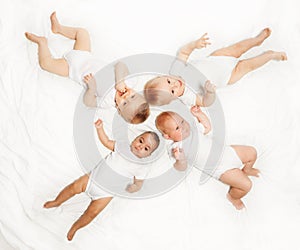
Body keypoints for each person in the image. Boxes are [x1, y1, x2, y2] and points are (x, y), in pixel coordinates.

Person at [44, 119, 160, 241]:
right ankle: (56, 201)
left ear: (148, 155)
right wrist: (100, 129)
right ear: (135, 139)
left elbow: (138, 184)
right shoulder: (122, 146)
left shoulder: (141, 167)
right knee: (73, 187)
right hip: (92, 179)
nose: (140, 146)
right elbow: (106, 142)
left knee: (92, 213)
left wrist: (133, 188)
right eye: (140, 141)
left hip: (105, 194)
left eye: (146, 149)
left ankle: (75, 227)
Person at [25, 12, 150, 124]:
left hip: (72, 69)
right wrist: (120, 81)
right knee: (82, 33)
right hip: (84, 54)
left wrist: (92, 88)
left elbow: (88, 102)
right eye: (133, 96)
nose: (126, 96)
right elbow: (120, 65)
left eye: (125, 103)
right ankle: (59, 28)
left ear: (118, 109)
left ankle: (42, 43)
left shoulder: (106, 102)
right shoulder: (130, 80)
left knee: (46, 64)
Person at [144, 29, 287, 107]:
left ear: (162, 76)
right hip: (228, 76)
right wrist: (210, 93)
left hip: (217, 58)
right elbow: (206, 103)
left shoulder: (176, 71)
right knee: (248, 66)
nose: (175, 84)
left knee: (237, 48)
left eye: (169, 82)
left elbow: (183, 52)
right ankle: (270, 56)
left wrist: (195, 44)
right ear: (174, 98)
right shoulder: (187, 97)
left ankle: (257, 41)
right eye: (173, 90)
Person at [155, 110, 259, 210]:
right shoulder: (176, 148)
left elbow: (207, 127)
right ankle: (233, 197)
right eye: (177, 128)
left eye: (182, 121)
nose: (183, 127)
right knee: (246, 185)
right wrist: (180, 159)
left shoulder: (194, 130)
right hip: (222, 169)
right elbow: (181, 167)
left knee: (252, 152)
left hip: (227, 152)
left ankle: (247, 170)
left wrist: (199, 114)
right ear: (168, 136)